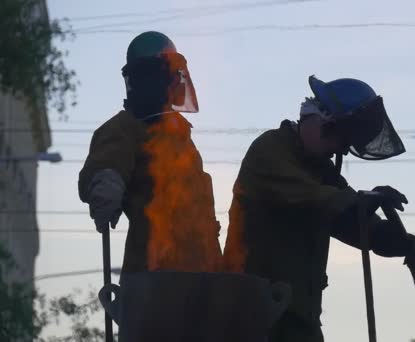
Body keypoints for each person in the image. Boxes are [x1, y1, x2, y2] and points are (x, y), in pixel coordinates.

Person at [78, 31, 286, 341]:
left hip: (205, 284)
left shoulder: (181, 138)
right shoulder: (124, 128)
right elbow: (105, 163)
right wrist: (105, 182)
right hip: (156, 284)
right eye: (149, 76)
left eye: (161, 76)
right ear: (136, 80)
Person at [224, 75, 415, 342]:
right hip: (252, 317)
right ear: (321, 121)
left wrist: (390, 238)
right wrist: (360, 203)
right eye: (341, 139)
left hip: (298, 317)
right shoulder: (270, 151)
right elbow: (319, 199)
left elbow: (350, 220)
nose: (339, 150)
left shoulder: (320, 170)